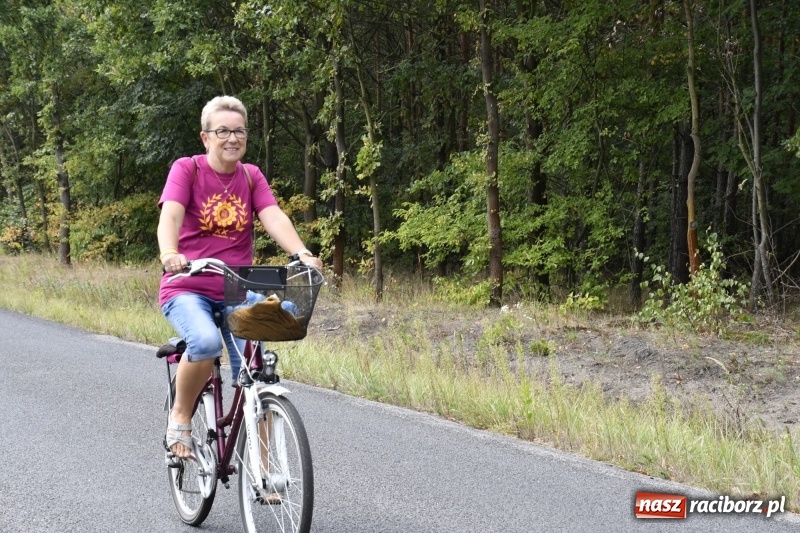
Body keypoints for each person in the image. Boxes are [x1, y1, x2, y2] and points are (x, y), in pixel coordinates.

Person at [157, 95, 323, 459]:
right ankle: (180, 416)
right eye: (223, 131)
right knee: (205, 342)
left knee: (258, 376)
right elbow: (171, 215)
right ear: (206, 137)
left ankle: (265, 469)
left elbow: (273, 215)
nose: (232, 138)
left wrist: (301, 253)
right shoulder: (188, 170)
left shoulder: (250, 176)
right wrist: (170, 253)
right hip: (187, 287)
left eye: (239, 131)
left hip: (236, 290)